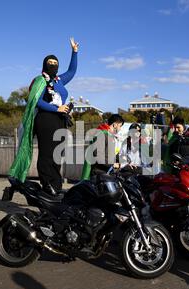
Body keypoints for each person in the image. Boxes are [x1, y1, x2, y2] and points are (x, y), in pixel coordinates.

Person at [9, 38, 79, 195]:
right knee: (47, 154)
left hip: (61, 120)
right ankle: (47, 184)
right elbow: (37, 102)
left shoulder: (59, 80)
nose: (53, 65)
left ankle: (56, 185)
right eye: (50, 62)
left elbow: (72, 71)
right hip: (46, 120)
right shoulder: (40, 81)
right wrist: (56, 108)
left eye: (55, 63)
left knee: (57, 154)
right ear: (44, 64)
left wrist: (74, 52)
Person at [81, 114, 124, 179]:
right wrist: (112, 164)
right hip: (98, 173)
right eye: (120, 126)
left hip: (105, 171)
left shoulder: (109, 135)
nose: (120, 129)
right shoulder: (102, 134)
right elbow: (97, 155)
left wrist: (125, 163)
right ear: (115, 124)